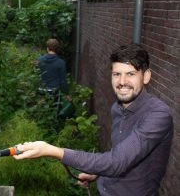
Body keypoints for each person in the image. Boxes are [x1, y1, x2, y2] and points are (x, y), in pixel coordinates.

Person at [14, 43, 174, 196]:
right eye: (117, 74)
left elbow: (117, 162)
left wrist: (54, 151)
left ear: (146, 76)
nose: (122, 82)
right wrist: (96, 173)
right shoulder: (117, 108)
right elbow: (118, 152)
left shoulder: (158, 115)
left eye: (130, 74)